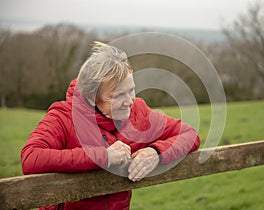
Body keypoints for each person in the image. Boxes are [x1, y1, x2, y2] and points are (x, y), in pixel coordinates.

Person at [21, 41, 200, 210]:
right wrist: (102, 157)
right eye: (118, 95)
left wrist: (156, 153)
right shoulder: (63, 116)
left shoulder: (138, 111)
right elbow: (31, 157)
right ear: (92, 97)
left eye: (131, 90)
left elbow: (189, 134)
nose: (129, 101)